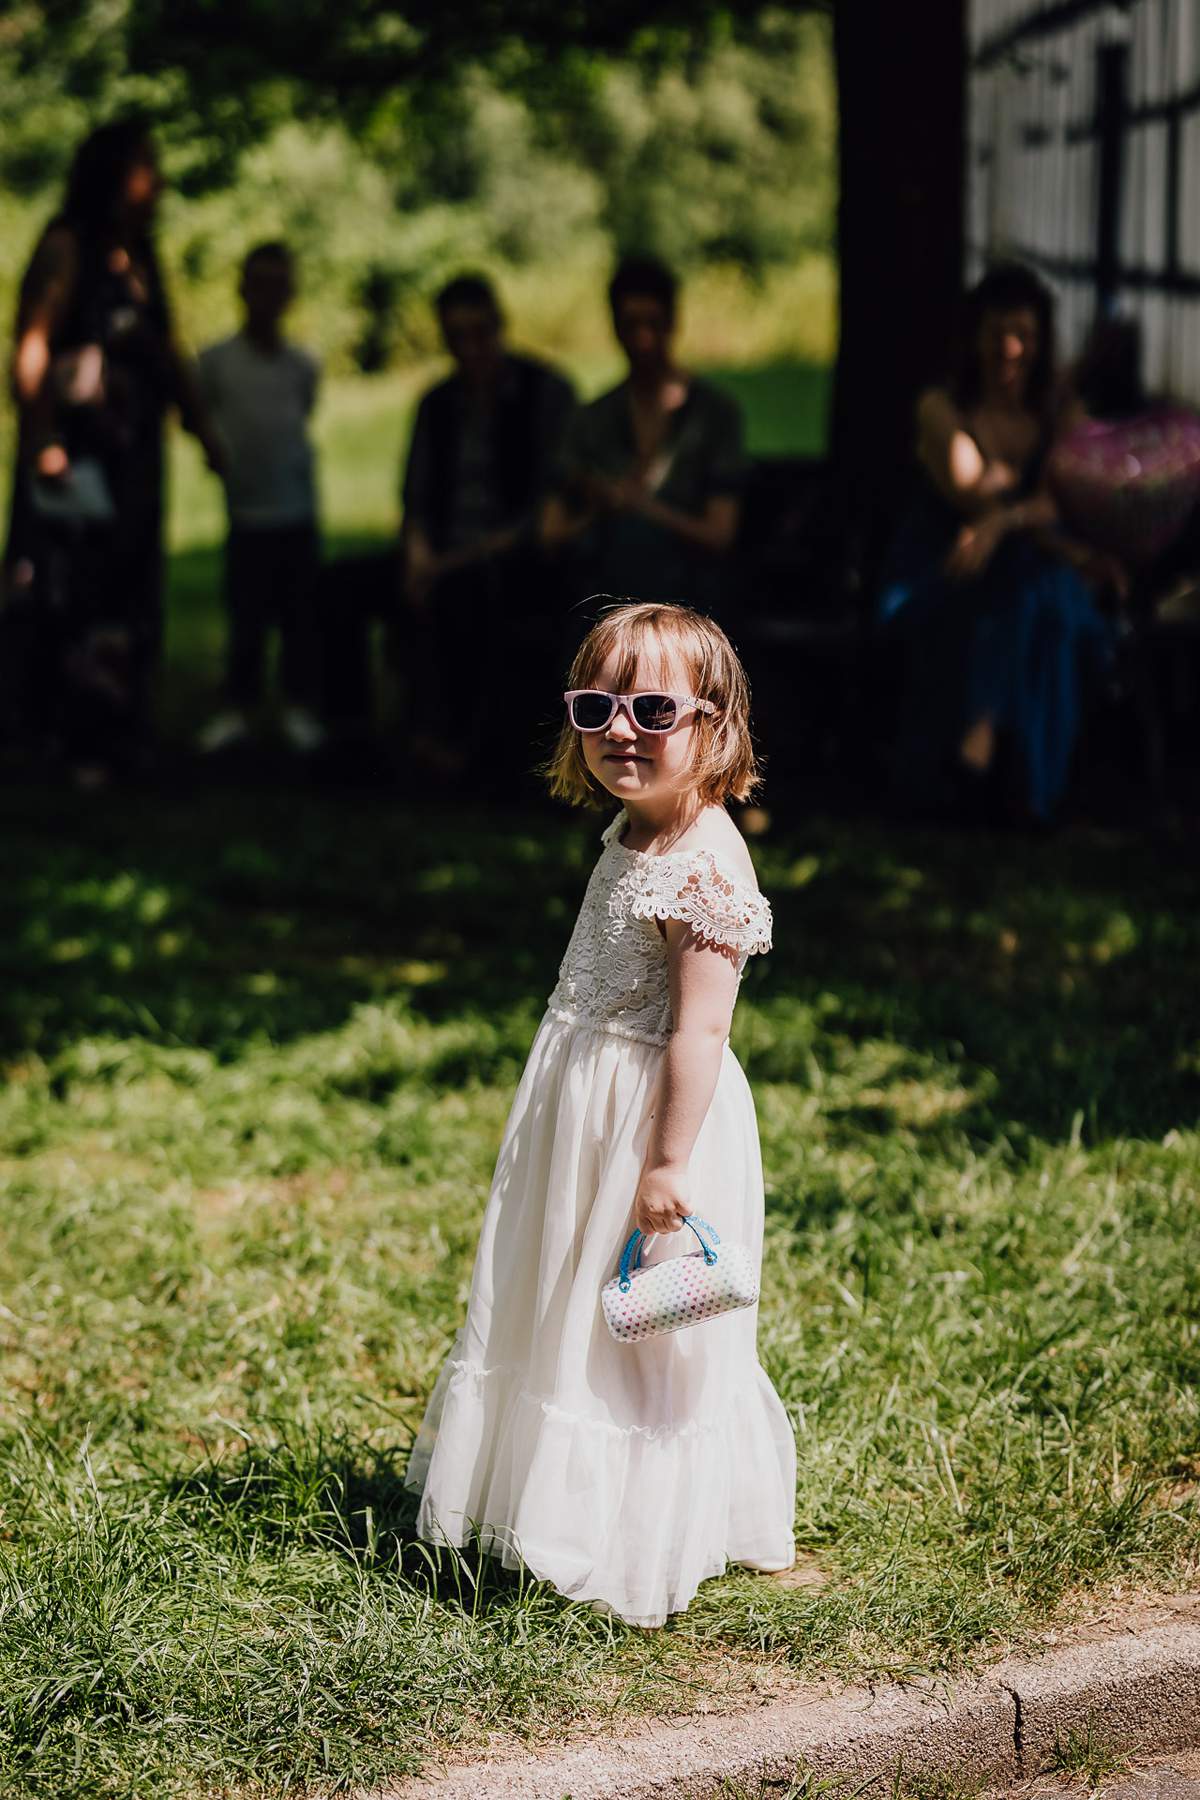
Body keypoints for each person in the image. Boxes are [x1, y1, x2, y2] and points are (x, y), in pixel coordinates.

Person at [406, 600, 796, 1627]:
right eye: (597, 705)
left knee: (642, 1336)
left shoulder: (706, 865)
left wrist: (667, 1167)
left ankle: (637, 1533)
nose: (622, 728)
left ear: (715, 723)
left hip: (654, 1121)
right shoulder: (634, 828)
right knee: (566, 1301)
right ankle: (547, 1503)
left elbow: (700, 1035)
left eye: (652, 707)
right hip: (583, 1102)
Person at [5, 115, 222, 783]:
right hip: (74, 459)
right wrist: (41, 440)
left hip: (133, 464)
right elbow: (32, 347)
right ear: (111, 176)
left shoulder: (143, 259)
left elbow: (166, 350)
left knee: (128, 592)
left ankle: (118, 735)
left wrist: (203, 428)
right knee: (67, 592)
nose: (156, 180)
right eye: (144, 165)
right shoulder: (69, 246)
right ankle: (57, 742)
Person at [878, 262, 1115, 824]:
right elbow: (971, 491)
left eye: (1025, 336)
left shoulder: (1058, 409)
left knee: (1037, 595)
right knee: (1039, 594)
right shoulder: (940, 408)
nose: (1010, 349)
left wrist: (1003, 525)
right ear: (974, 338)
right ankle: (1032, 789)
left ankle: (981, 748)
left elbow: (1081, 493)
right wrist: (1032, 525)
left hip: (1024, 574)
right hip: (941, 571)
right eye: (997, 335)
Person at [400, 273, 575, 783]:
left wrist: (442, 564)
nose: (471, 348)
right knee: (338, 586)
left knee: (471, 592)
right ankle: (353, 736)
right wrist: (416, 555)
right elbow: (415, 496)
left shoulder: (543, 393)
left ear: (500, 327)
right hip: (441, 553)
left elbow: (545, 511)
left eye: (480, 333)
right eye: (458, 337)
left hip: (512, 557)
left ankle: (461, 749)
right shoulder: (437, 404)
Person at [541, 257, 747, 620]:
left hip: (689, 603)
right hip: (607, 601)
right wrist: (601, 505)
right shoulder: (592, 421)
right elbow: (551, 532)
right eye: (631, 325)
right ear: (615, 328)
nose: (643, 339)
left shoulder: (713, 416)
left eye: (654, 324)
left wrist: (640, 506)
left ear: (673, 322)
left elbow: (720, 534)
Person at [195, 242, 324, 755]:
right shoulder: (215, 362)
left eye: (279, 285)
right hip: (245, 512)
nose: (268, 297)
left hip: (297, 510)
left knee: (299, 617)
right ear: (242, 290)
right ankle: (237, 708)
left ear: (290, 295)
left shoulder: (301, 364)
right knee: (245, 616)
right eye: (259, 284)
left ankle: (298, 707)